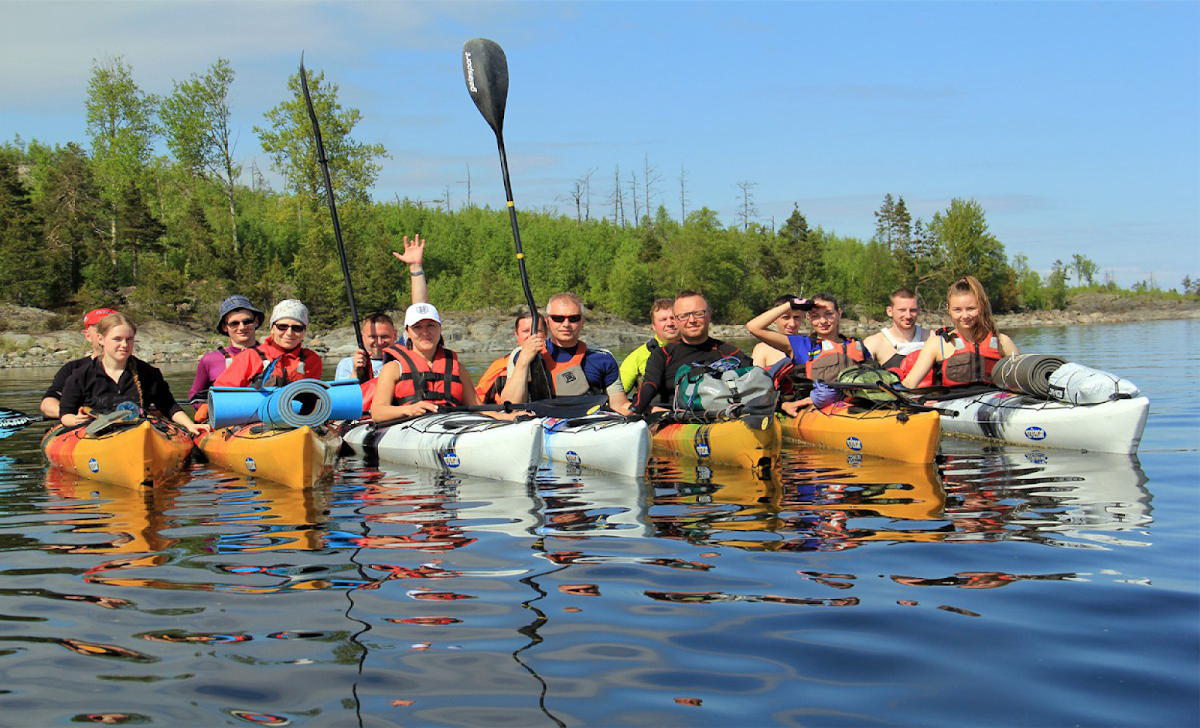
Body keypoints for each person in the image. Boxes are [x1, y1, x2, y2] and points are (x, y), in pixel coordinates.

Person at [58, 313, 209, 436]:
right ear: (101, 339)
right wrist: (76, 420)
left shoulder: (149, 373)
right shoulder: (81, 375)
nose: (124, 345)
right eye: (117, 339)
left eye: (129, 339)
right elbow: (65, 415)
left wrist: (190, 425)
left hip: (139, 433)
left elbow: (169, 407)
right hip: (97, 436)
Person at [371, 303, 516, 421]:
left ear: (440, 329)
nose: (425, 332)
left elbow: (477, 408)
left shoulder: (457, 367)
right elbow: (378, 412)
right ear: (408, 332)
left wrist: (507, 417)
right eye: (417, 327)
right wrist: (408, 409)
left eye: (431, 325)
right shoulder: (394, 368)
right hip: (411, 427)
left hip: (451, 423)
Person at [500, 292, 632, 413]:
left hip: (589, 427)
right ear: (547, 321)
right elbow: (511, 406)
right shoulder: (521, 354)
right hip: (540, 427)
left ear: (582, 321)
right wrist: (523, 362)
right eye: (558, 318)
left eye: (573, 318)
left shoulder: (603, 358)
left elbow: (619, 405)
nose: (566, 324)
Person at [745, 293, 870, 416]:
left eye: (829, 314)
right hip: (817, 411)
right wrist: (790, 304)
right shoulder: (801, 345)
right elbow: (753, 327)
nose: (823, 321)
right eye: (816, 316)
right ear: (809, 318)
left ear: (839, 314)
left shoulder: (856, 345)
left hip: (857, 406)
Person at [631, 291, 751, 415]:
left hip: (722, 417)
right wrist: (634, 410)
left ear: (709, 315)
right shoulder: (662, 355)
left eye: (699, 314)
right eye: (684, 316)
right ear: (677, 320)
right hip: (672, 419)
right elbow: (649, 385)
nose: (692, 320)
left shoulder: (731, 354)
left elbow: (756, 379)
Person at [334, 234, 429, 380]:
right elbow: (344, 400)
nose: (379, 343)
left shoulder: (403, 354)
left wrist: (415, 267)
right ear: (362, 336)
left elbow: (420, 311)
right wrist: (356, 372)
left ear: (395, 335)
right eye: (372, 337)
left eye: (384, 336)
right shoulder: (346, 365)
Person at [902, 276, 1018, 389]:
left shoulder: (1002, 341)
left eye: (971, 309)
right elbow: (910, 383)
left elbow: (1024, 377)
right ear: (949, 309)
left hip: (996, 402)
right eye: (957, 310)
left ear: (981, 307)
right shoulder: (937, 344)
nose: (965, 316)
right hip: (952, 404)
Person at [213, 299, 323, 389]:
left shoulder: (313, 360)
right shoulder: (249, 356)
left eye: (297, 328)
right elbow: (221, 393)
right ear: (272, 329)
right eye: (282, 327)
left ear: (304, 331)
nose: (289, 333)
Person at [40, 307, 116, 419]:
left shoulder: (138, 368)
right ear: (88, 335)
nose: (105, 335)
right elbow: (48, 402)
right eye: (100, 329)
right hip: (83, 424)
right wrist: (70, 414)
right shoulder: (72, 369)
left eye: (109, 329)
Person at [187, 295, 264, 404]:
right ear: (224, 327)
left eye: (247, 321)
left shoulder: (273, 355)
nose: (242, 327)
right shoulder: (209, 360)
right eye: (234, 323)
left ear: (256, 322)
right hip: (222, 418)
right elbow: (195, 395)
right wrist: (211, 413)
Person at [862, 288, 932, 383]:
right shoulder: (873, 343)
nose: (908, 316)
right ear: (889, 311)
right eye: (902, 310)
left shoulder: (932, 338)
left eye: (913, 310)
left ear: (919, 311)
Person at [474, 311, 546, 404]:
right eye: (525, 331)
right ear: (517, 335)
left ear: (546, 333)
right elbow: (479, 396)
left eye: (537, 331)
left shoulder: (555, 360)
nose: (531, 335)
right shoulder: (500, 366)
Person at [618, 298, 680, 395]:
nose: (669, 323)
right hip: (653, 407)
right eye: (663, 319)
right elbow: (617, 395)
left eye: (673, 318)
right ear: (653, 326)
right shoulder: (637, 357)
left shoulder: (698, 350)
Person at [751, 294, 805, 371]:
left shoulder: (810, 343)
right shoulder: (763, 349)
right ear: (775, 318)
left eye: (796, 317)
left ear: (803, 317)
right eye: (786, 317)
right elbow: (755, 379)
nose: (792, 324)